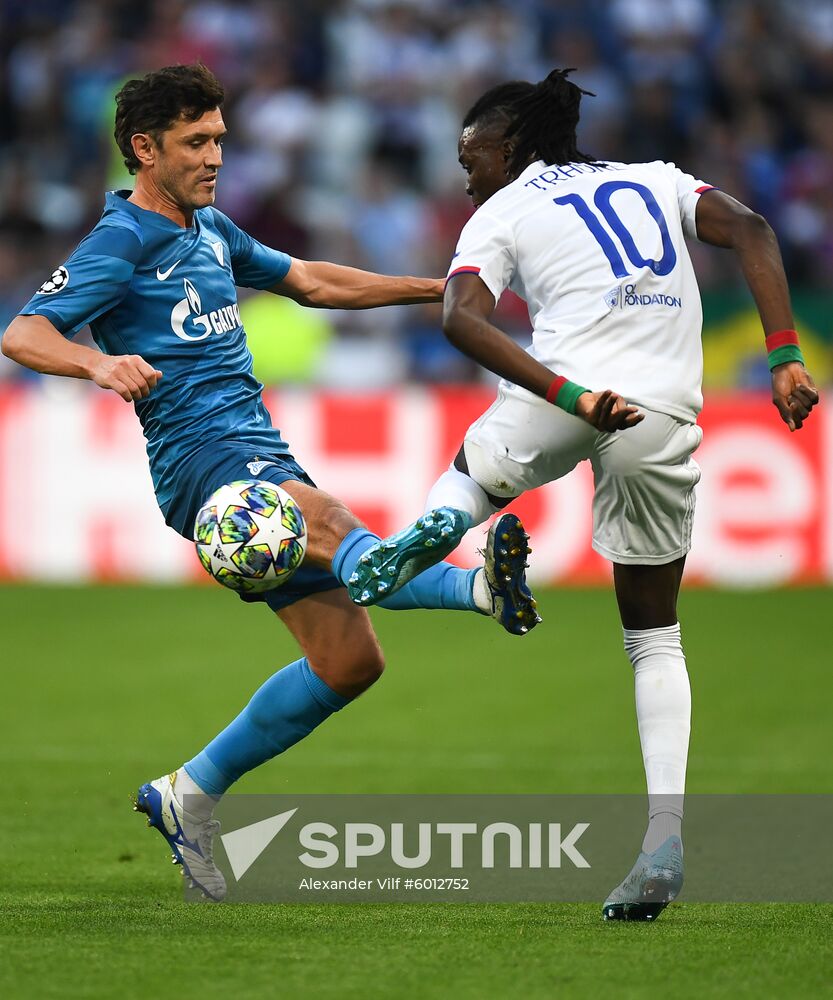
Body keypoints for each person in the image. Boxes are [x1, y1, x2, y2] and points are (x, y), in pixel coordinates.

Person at [0, 63, 539, 902]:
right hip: (203, 467)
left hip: (255, 451)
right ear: (144, 150)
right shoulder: (123, 241)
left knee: (349, 662)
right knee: (328, 520)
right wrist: (97, 362)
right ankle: (478, 593)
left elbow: (313, 281)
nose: (216, 156)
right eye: (195, 142)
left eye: (219, 137)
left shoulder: (210, 228)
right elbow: (25, 333)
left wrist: (440, 291)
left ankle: (188, 792)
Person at [348, 69, 820, 921]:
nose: (465, 175)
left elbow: (460, 317)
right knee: (653, 635)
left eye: (471, 155)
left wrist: (570, 399)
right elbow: (750, 229)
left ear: (514, 148)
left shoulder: (500, 211)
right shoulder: (658, 180)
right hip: (662, 409)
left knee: (466, 476)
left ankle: (441, 525)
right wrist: (783, 352)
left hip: (561, 394)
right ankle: (662, 840)